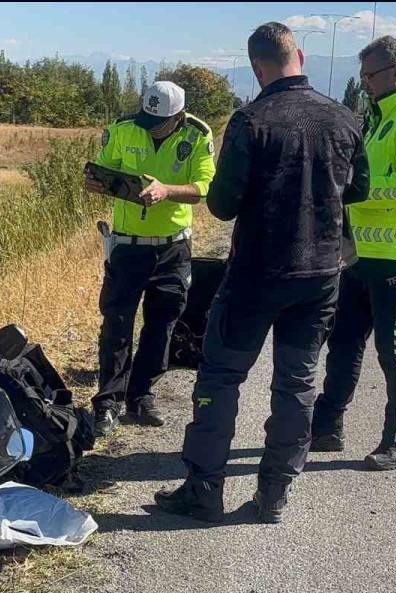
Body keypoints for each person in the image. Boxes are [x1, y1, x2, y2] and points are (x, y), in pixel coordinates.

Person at [154, 22, 369, 524]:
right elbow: (357, 191)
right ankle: (274, 495)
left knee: (222, 376)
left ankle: (204, 489)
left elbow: (224, 205)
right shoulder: (345, 119)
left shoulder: (251, 121)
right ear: (301, 55)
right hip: (320, 275)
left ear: (257, 68)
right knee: (297, 382)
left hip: (256, 273)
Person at [311, 35, 396, 471]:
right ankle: (327, 427)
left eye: (370, 75)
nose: (365, 83)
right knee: (345, 341)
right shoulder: (376, 116)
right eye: (363, 76)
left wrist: (355, 192)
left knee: (394, 350)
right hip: (361, 253)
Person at [84, 81, 217, 437]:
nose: (150, 127)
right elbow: (103, 169)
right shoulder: (124, 129)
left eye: (158, 122)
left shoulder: (198, 136)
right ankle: (108, 402)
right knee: (117, 323)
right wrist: (95, 182)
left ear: (178, 117)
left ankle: (141, 395)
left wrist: (167, 190)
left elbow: (205, 187)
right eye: (147, 119)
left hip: (173, 247)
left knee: (162, 324)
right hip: (128, 245)